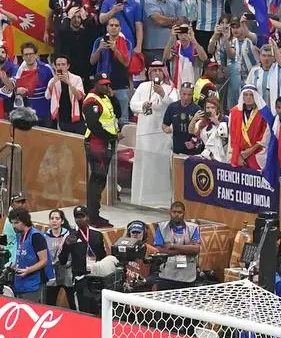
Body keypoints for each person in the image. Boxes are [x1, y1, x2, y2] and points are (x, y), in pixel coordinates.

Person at [128, 60, 175, 208]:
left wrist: (163, 95)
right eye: (153, 71)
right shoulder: (143, 86)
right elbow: (132, 104)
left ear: (164, 72)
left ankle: (161, 201)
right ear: (149, 73)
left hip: (162, 136)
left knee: (160, 169)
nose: (156, 73)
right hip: (144, 134)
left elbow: (174, 106)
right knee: (144, 167)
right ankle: (141, 200)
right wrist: (143, 105)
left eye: (159, 71)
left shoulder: (170, 88)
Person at [82, 75, 119, 227]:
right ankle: (93, 216)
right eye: (103, 85)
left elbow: (118, 113)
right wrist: (110, 137)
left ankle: (94, 214)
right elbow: (94, 125)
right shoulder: (91, 100)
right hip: (97, 143)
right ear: (95, 84)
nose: (106, 87)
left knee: (100, 179)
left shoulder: (105, 98)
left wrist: (113, 98)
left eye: (107, 84)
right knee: (97, 179)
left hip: (107, 143)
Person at [151, 201, 200, 290]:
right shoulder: (161, 227)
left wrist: (173, 246)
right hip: (167, 275)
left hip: (187, 276)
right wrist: (187, 249)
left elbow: (196, 250)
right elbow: (159, 251)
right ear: (170, 212)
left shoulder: (193, 228)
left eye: (179, 212)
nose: (176, 214)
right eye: (174, 212)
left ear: (184, 213)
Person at [8, 207, 52, 302]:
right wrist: (12, 267)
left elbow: (44, 261)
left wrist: (28, 270)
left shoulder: (36, 236)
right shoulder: (19, 235)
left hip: (35, 283)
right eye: (12, 223)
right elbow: (22, 255)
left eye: (16, 223)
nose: (13, 226)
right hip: (21, 282)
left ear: (24, 221)